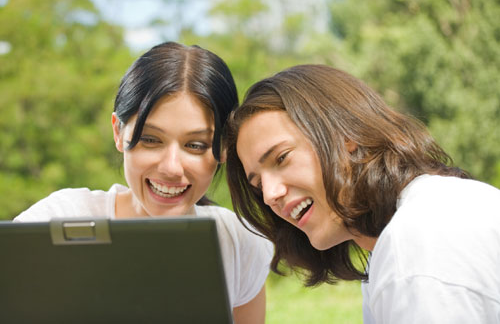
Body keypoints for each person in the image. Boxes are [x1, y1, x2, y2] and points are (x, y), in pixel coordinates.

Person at [15, 41, 273, 323]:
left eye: (196, 145)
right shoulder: (58, 220)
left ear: (223, 148)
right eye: (150, 139)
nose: (172, 167)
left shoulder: (237, 241)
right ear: (117, 132)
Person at [224, 64, 500, 323]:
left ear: (346, 137)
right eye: (258, 185)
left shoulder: (417, 245)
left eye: (282, 158)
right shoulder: (435, 213)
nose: (270, 194)